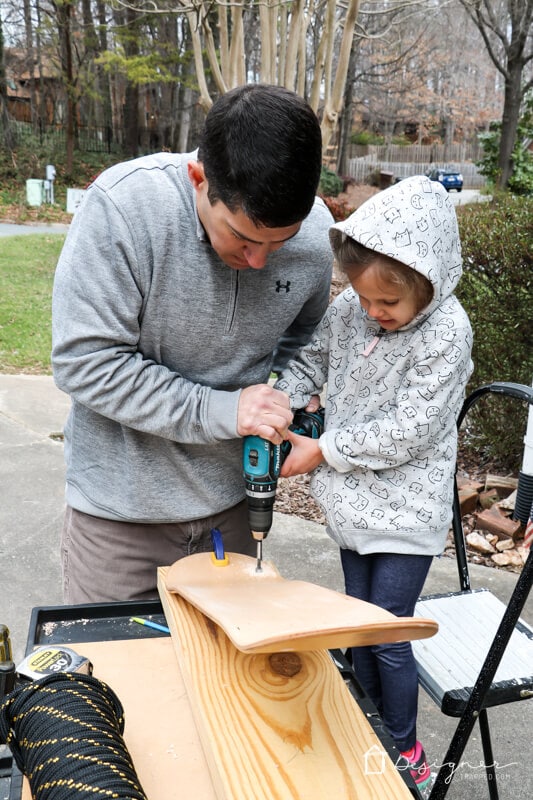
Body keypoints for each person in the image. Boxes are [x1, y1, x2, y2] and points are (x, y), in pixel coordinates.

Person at [51, 83, 333, 604]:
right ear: (198, 179)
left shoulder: (314, 237)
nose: (260, 263)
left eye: (280, 243)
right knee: (113, 682)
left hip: (235, 510)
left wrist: (293, 399)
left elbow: (310, 343)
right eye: (243, 238)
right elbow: (86, 362)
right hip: (119, 519)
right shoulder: (124, 209)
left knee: (227, 681)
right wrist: (227, 410)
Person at [275, 175, 473, 796]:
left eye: (386, 305)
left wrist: (323, 450)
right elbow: (312, 359)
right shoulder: (353, 307)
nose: (371, 314)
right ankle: (366, 720)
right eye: (364, 300)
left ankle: (404, 747)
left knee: (387, 627)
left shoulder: (446, 333)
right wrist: (280, 403)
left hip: (407, 507)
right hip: (353, 498)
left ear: (429, 284)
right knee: (354, 620)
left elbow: (410, 430)